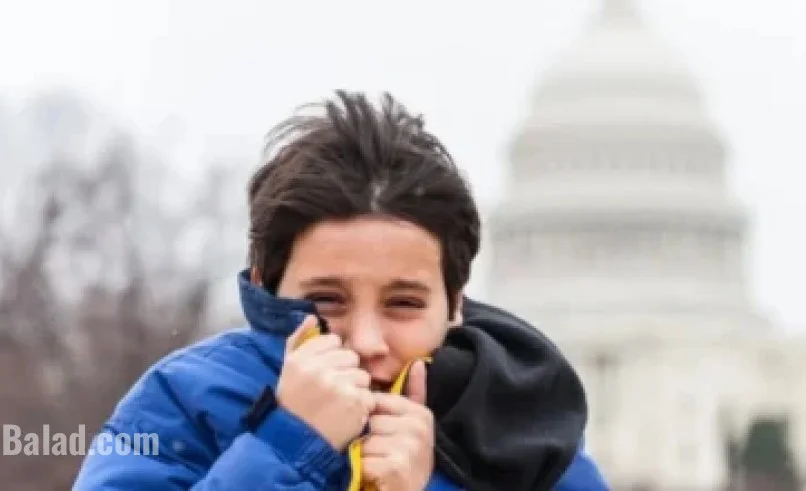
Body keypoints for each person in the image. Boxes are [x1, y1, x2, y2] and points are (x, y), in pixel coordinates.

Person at [72, 91, 609, 490]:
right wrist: (288, 446)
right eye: (327, 299)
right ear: (265, 284)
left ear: (455, 303)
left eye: (403, 303)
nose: (367, 341)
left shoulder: (521, 423)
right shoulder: (183, 404)